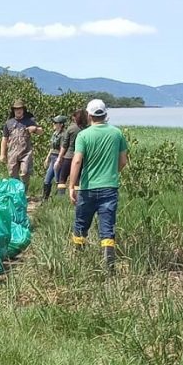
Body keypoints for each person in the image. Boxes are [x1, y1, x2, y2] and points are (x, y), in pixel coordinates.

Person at [69, 99, 128, 271]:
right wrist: (111, 173)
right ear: (105, 114)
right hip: (110, 187)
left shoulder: (84, 135)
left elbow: (77, 160)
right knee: (107, 227)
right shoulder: (117, 133)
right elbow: (123, 161)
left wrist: (72, 185)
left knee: (81, 223)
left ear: (89, 115)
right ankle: (109, 265)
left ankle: (78, 260)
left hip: (87, 188)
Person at [0, 99, 44, 193]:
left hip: (26, 152)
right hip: (12, 152)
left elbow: (41, 132)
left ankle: (24, 191)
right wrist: (2, 154)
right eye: (16, 109)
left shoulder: (29, 121)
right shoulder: (8, 123)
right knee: (12, 174)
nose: (18, 110)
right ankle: (16, 193)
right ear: (13, 110)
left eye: (20, 108)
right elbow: (4, 139)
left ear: (23, 109)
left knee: (25, 171)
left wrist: (34, 129)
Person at [55, 109, 88, 195]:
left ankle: (60, 199)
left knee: (62, 179)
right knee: (77, 179)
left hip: (68, 157)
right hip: (81, 157)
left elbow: (64, 145)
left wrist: (59, 158)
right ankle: (76, 199)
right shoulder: (86, 129)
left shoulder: (71, 128)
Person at [42, 115, 67, 201]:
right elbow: (52, 147)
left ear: (61, 124)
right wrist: (47, 158)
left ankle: (59, 200)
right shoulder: (55, 133)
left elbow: (62, 148)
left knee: (58, 180)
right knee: (47, 180)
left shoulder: (63, 135)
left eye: (56, 123)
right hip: (52, 157)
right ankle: (45, 199)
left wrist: (59, 160)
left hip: (58, 158)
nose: (54, 124)